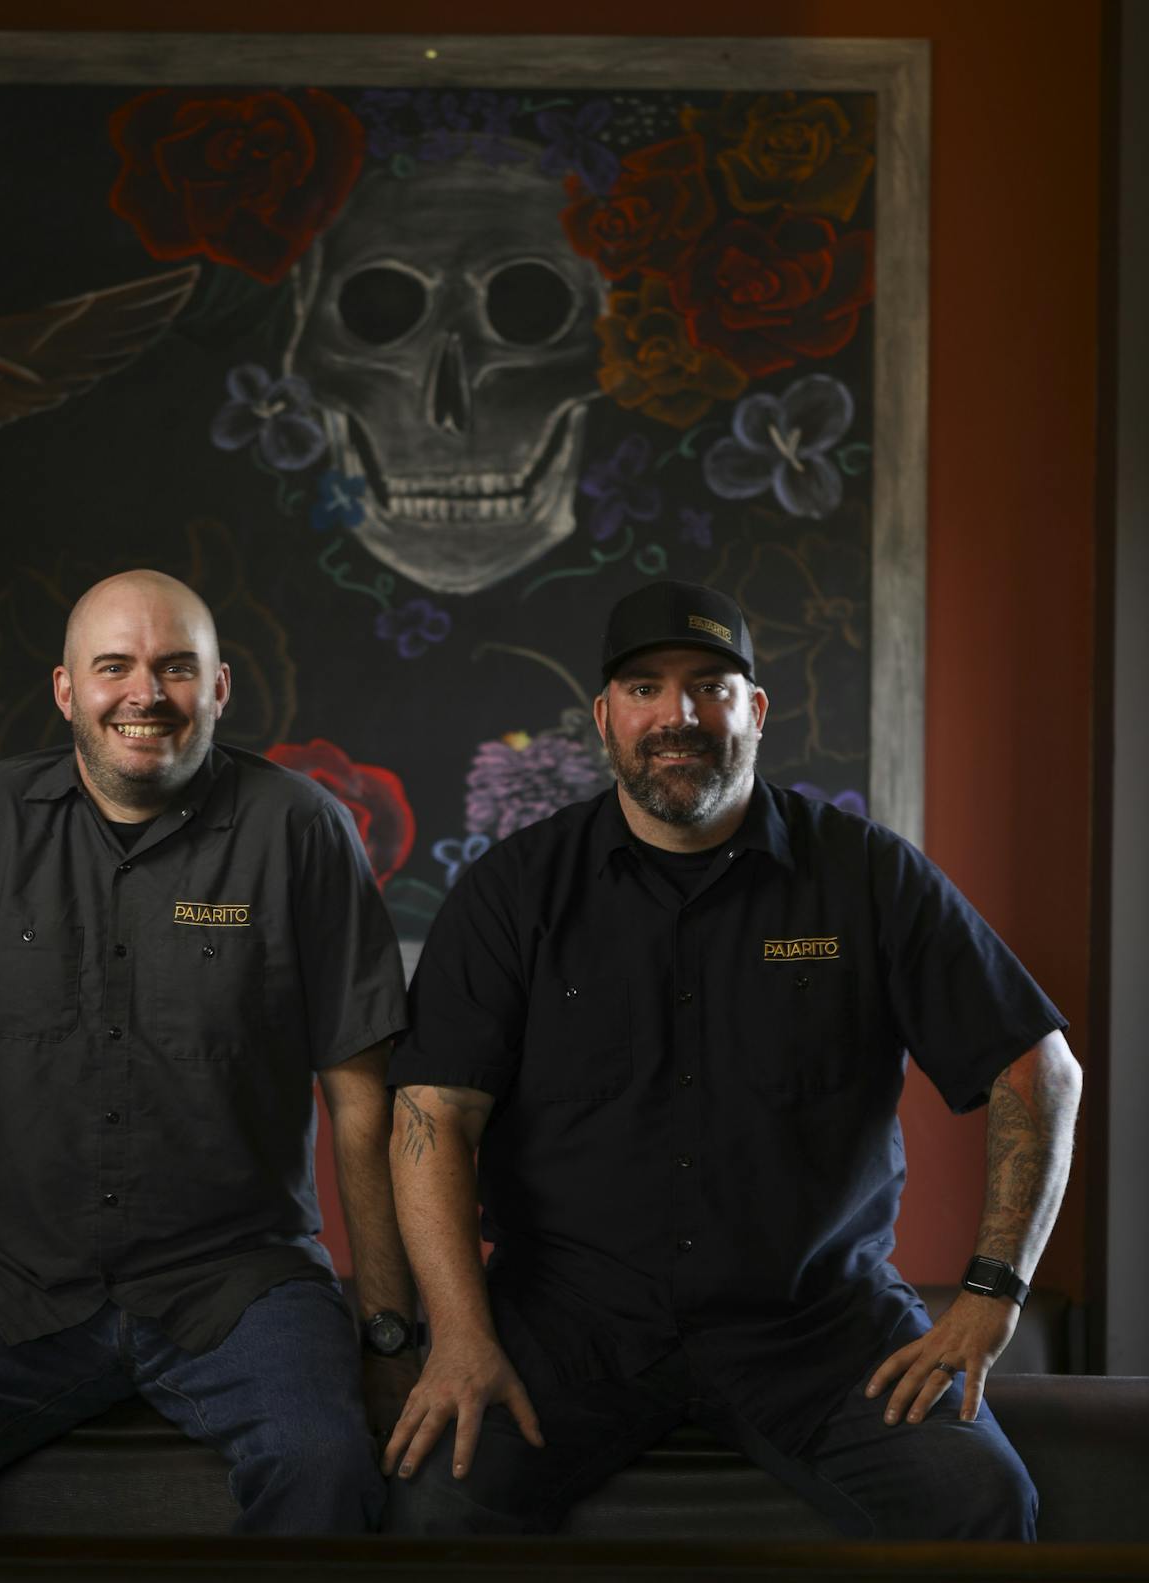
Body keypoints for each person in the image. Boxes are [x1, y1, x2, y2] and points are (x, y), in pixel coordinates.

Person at [381, 579, 1081, 1540]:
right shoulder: (512, 894)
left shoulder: (870, 876)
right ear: (604, 718)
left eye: (710, 685)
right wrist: (459, 1336)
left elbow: (1038, 1070)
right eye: (645, 688)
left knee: (980, 1498)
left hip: (821, 1331)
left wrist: (992, 1294)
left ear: (753, 710)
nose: (678, 715)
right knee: (432, 1502)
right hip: (570, 1324)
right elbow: (432, 1115)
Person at [0, 569, 417, 1533]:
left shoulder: (301, 827)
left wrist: (388, 1338)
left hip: (242, 1286)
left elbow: (363, 1102)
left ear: (218, 688)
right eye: (115, 667)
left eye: (177, 667)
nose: (146, 693)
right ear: (66, 689)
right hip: (13, 1284)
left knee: (326, 1469)